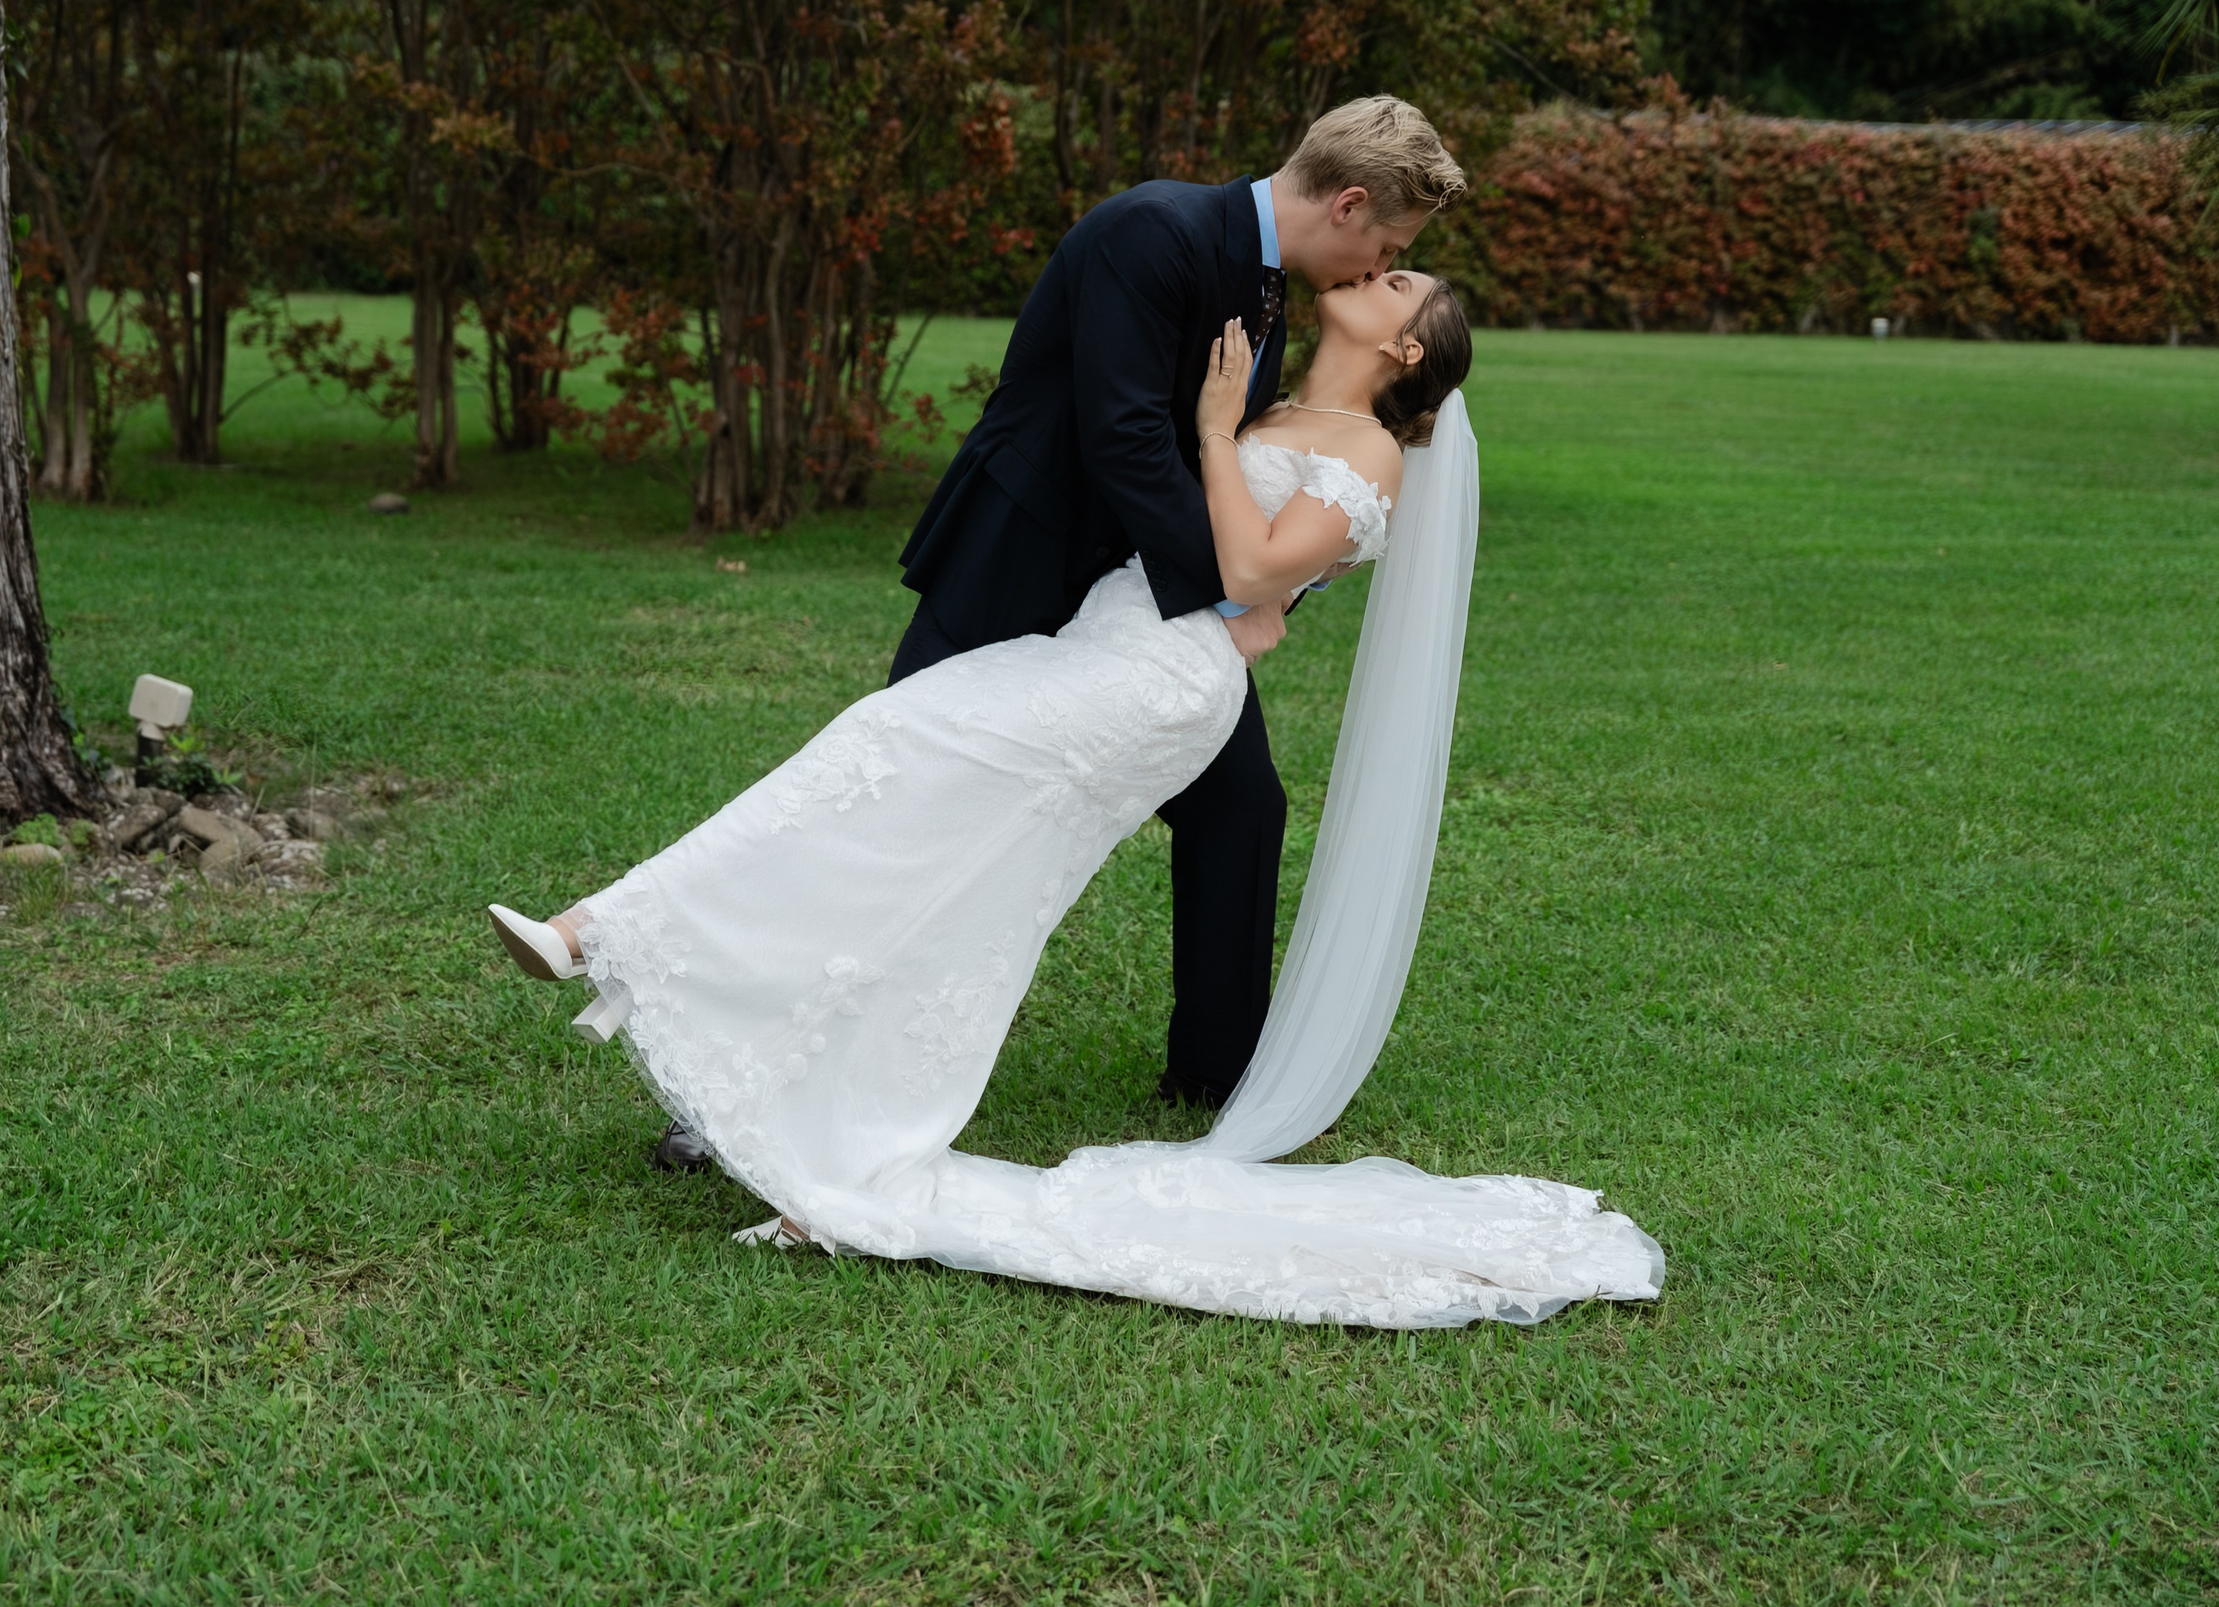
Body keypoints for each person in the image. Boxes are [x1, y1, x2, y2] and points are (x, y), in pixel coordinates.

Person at [487, 264, 1665, 1328]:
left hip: (1157, 685)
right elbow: (1242, 587)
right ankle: (826, 1148)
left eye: (1401, 283)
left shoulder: (1368, 451)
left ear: (1406, 348)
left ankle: (605, 932)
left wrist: (1214, 435)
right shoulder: (1274, 408)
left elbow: (1252, 571)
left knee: (891, 745)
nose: (1378, 271)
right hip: (1104, 645)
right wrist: (1229, 450)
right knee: (965, 880)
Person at [645, 94, 1471, 1173]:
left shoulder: (1277, 296)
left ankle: (1220, 1074)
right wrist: (1236, 596)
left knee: (1240, 807)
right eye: (1389, 249)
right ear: (1350, 204)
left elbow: (1267, 488)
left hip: (1136, 616)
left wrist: (1260, 586)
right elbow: (1124, 440)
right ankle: (736, 1092)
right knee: (894, 805)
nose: (1378, 268)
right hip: (1020, 566)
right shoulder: (1155, 231)